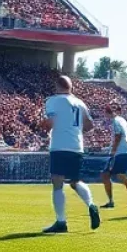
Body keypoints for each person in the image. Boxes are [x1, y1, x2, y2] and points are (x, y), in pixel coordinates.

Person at [38, 75, 99, 234]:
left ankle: (61, 222)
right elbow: (90, 125)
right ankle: (91, 204)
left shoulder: (53, 100)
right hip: (77, 145)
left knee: (57, 183)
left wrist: (42, 125)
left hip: (59, 145)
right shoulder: (80, 103)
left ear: (57, 86)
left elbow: (50, 123)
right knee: (75, 181)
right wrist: (76, 131)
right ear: (70, 87)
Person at [99, 107, 127, 209]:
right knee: (113, 174)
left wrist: (113, 150)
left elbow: (118, 136)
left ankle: (113, 201)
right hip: (125, 151)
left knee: (109, 174)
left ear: (107, 113)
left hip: (120, 152)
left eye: (105, 114)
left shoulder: (115, 121)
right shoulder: (122, 120)